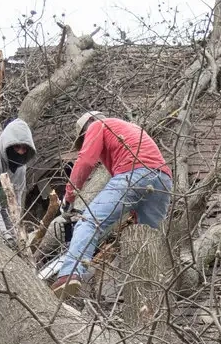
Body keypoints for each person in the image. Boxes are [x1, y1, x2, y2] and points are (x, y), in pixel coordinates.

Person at [49, 112, 172, 296]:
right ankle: (154, 291)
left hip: (134, 174)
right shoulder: (131, 129)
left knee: (89, 222)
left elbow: (85, 160)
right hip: (163, 181)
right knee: (148, 238)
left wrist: (69, 197)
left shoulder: (97, 126)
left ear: (86, 130)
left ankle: (69, 274)